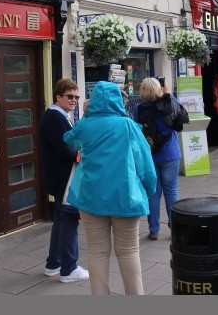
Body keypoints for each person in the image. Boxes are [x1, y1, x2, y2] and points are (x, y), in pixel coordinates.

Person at [65, 81, 157, 295]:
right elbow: (146, 166)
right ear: (119, 100)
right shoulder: (128, 126)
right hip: (126, 198)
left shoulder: (85, 125)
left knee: (97, 252)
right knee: (129, 252)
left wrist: (86, 115)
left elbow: (70, 140)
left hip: (90, 197)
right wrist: (148, 190)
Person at [38, 78, 89, 283]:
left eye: (76, 97)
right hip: (63, 177)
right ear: (58, 97)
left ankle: (54, 264)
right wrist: (83, 154)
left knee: (60, 220)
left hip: (60, 176)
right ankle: (69, 268)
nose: (74, 100)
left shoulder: (59, 116)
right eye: (70, 96)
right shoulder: (54, 117)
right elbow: (65, 150)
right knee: (68, 219)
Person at [133, 77, 182, 241]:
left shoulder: (138, 109)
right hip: (170, 154)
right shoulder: (167, 102)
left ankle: (154, 230)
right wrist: (168, 93)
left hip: (149, 155)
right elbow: (179, 115)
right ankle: (175, 228)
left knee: (153, 194)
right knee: (171, 192)